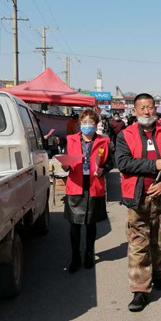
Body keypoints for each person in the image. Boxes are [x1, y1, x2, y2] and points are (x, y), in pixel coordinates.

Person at [115, 93, 161, 312]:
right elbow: (123, 163)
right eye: (142, 108)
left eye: (151, 107)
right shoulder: (125, 135)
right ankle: (140, 290)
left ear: (156, 109)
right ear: (134, 111)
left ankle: (158, 274)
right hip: (138, 198)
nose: (147, 111)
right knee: (138, 243)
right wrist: (153, 165)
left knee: (160, 238)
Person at [62, 109, 113, 273]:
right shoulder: (71, 140)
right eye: (84, 123)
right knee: (74, 225)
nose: (87, 126)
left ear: (96, 124)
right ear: (79, 124)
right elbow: (65, 162)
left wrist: (103, 170)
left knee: (91, 223)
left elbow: (110, 163)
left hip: (94, 185)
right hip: (75, 185)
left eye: (91, 122)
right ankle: (75, 257)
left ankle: (89, 254)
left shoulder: (104, 142)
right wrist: (65, 164)